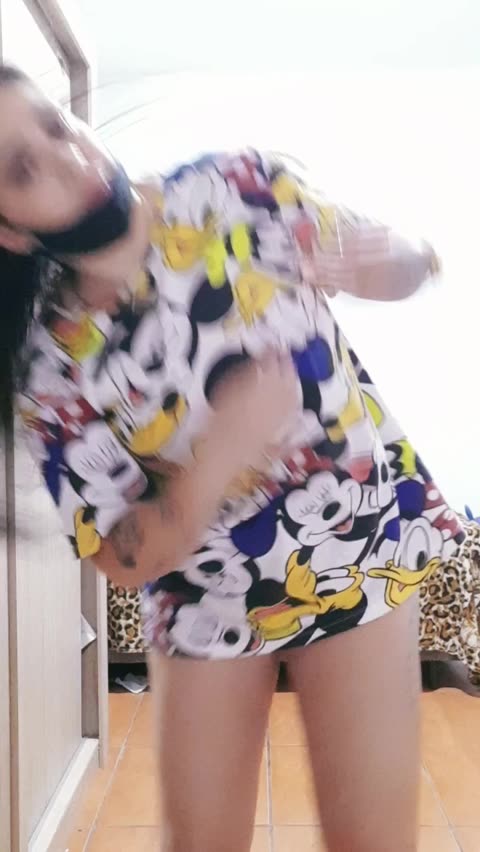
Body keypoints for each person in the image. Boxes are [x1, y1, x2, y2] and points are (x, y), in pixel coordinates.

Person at [0, 64, 463, 852]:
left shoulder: (238, 189)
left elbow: (406, 264)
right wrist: (221, 456)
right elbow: (121, 556)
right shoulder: (50, 366)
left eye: (54, 124)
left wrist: (397, 259)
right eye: (21, 169)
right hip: (204, 603)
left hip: (358, 551)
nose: (70, 156)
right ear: (8, 230)